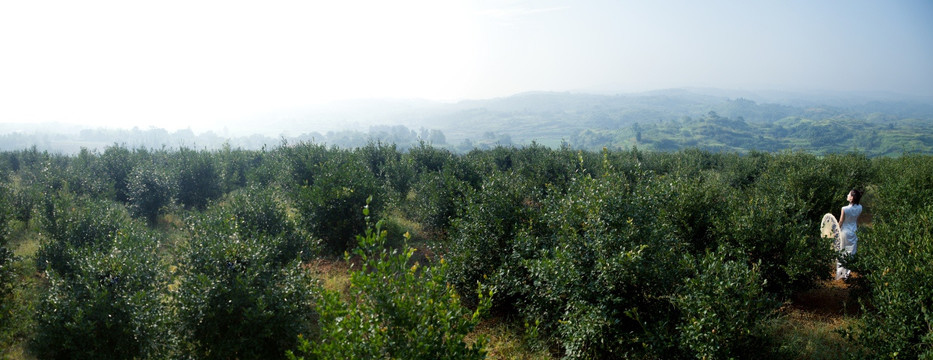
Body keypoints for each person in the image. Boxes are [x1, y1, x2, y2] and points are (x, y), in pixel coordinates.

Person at [836, 189, 862, 280]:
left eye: (849, 194)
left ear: (852, 198)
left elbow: (841, 221)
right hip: (854, 231)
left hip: (845, 232)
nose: (847, 195)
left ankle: (841, 273)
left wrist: (836, 231)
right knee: (851, 252)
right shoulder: (860, 207)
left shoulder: (844, 209)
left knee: (842, 251)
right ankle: (847, 273)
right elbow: (856, 219)